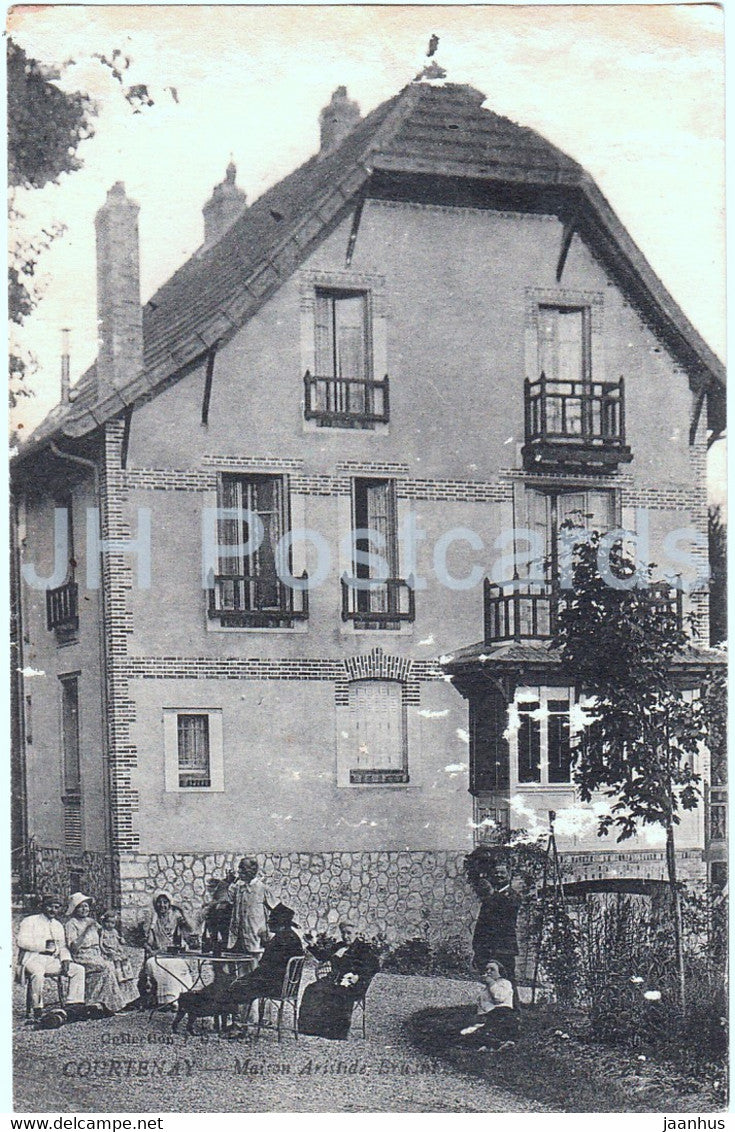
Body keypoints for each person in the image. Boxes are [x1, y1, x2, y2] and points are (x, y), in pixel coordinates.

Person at [299, 921, 380, 1040]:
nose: (346, 936)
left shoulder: (364, 948)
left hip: (352, 984)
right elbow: (323, 957)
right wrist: (312, 945)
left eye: (349, 933)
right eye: (343, 933)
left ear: (356, 934)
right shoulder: (339, 946)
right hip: (333, 979)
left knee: (338, 994)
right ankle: (311, 1028)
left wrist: (359, 976)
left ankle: (336, 1032)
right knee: (312, 989)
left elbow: (374, 966)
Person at [64, 893, 137, 1014]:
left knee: (120, 962)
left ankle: (126, 1000)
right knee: (107, 966)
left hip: (97, 953)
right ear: (75, 909)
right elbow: (73, 947)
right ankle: (116, 1005)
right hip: (82, 955)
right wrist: (85, 930)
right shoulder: (71, 924)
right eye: (80, 907)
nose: (84, 909)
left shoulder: (91, 921)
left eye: (86, 906)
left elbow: (105, 932)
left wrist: (113, 946)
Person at [16, 893, 85, 1016]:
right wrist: (43, 945)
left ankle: (73, 1004)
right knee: (37, 972)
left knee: (78, 969)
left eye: (57, 907)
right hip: (33, 958)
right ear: (43, 906)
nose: (53, 910)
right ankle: (38, 1008)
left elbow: (62, 946)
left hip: (51, 960)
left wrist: (65, 959)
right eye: (50, 906)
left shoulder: (57, 925)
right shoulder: (30, 921)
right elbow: (21, 941)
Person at [472, 861, 522, 1004]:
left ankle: (513, 1012)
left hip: (504, 948)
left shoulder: (512, 896)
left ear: (509, 875)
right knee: (490, 983)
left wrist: (492, 895)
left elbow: (505, 918)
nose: (499, 876)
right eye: (496, 873)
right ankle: (492, 1014)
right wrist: (477, 947)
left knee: (507, 982)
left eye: (502, 873)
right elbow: (482, 924)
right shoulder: (490, 897)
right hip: (488, 947)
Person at [143, 892, 195, 1008]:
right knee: (153, 963)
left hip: (175, 954)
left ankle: (180, 999)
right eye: (159, 902)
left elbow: (191, 929)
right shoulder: (154, 919)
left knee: (177, 965)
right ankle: (165, 1000)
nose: (162, 905)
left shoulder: (175, 917)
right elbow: (148, 943)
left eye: (165, 902)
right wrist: (151, 951)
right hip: (159, 955)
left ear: (170, 904)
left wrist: (182, 911)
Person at [459, 959, 519, 1049]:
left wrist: (491, 982)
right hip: (486, 1017)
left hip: (501, 1015)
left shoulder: (505, 983)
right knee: (464, 1033)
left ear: (500, 972)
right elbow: (482, 1005)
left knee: (490, 1028)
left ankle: (497, 1042)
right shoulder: (488, 987)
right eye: (487, 970)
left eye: (492, 969)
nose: (488, 972)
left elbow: (499, 997)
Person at [227, 857, 276, 957]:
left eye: (242, 868)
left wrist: (265, 931)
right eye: (239, 868)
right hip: (236, 940)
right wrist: (232, 882)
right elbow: (230, 899)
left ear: (251, 871)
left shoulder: (262, 889)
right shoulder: (238, 887)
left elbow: (276, 909)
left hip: (254, 939)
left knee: (254, 968)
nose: (239, 871)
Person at [99, 910, 138, 1005]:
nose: (110, 925)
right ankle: (119, 974)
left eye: (112, 923)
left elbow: (119, 940)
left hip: (116, 950)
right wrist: (104, 951)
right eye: (107, 922)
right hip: (109, 951)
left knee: (124, 959)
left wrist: (121, 940)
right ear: (104, 922)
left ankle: (126, 973)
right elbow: (100, 944)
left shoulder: (114, 931)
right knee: (116, 960)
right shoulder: (103, 932)